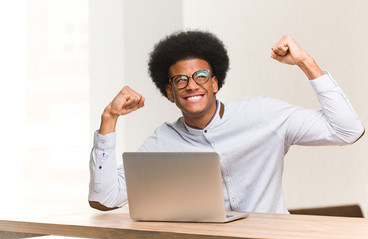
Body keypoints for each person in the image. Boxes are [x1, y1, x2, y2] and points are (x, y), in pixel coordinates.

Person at [88, 31, 364, 213]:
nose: (191, 85)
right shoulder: (163, 141)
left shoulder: (264, 115)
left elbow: (347, 130)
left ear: (216, 82)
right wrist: (109, 119)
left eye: (201, 76)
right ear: (170, 92)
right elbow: (104, 198)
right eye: (180, 80)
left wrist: (306, 62)